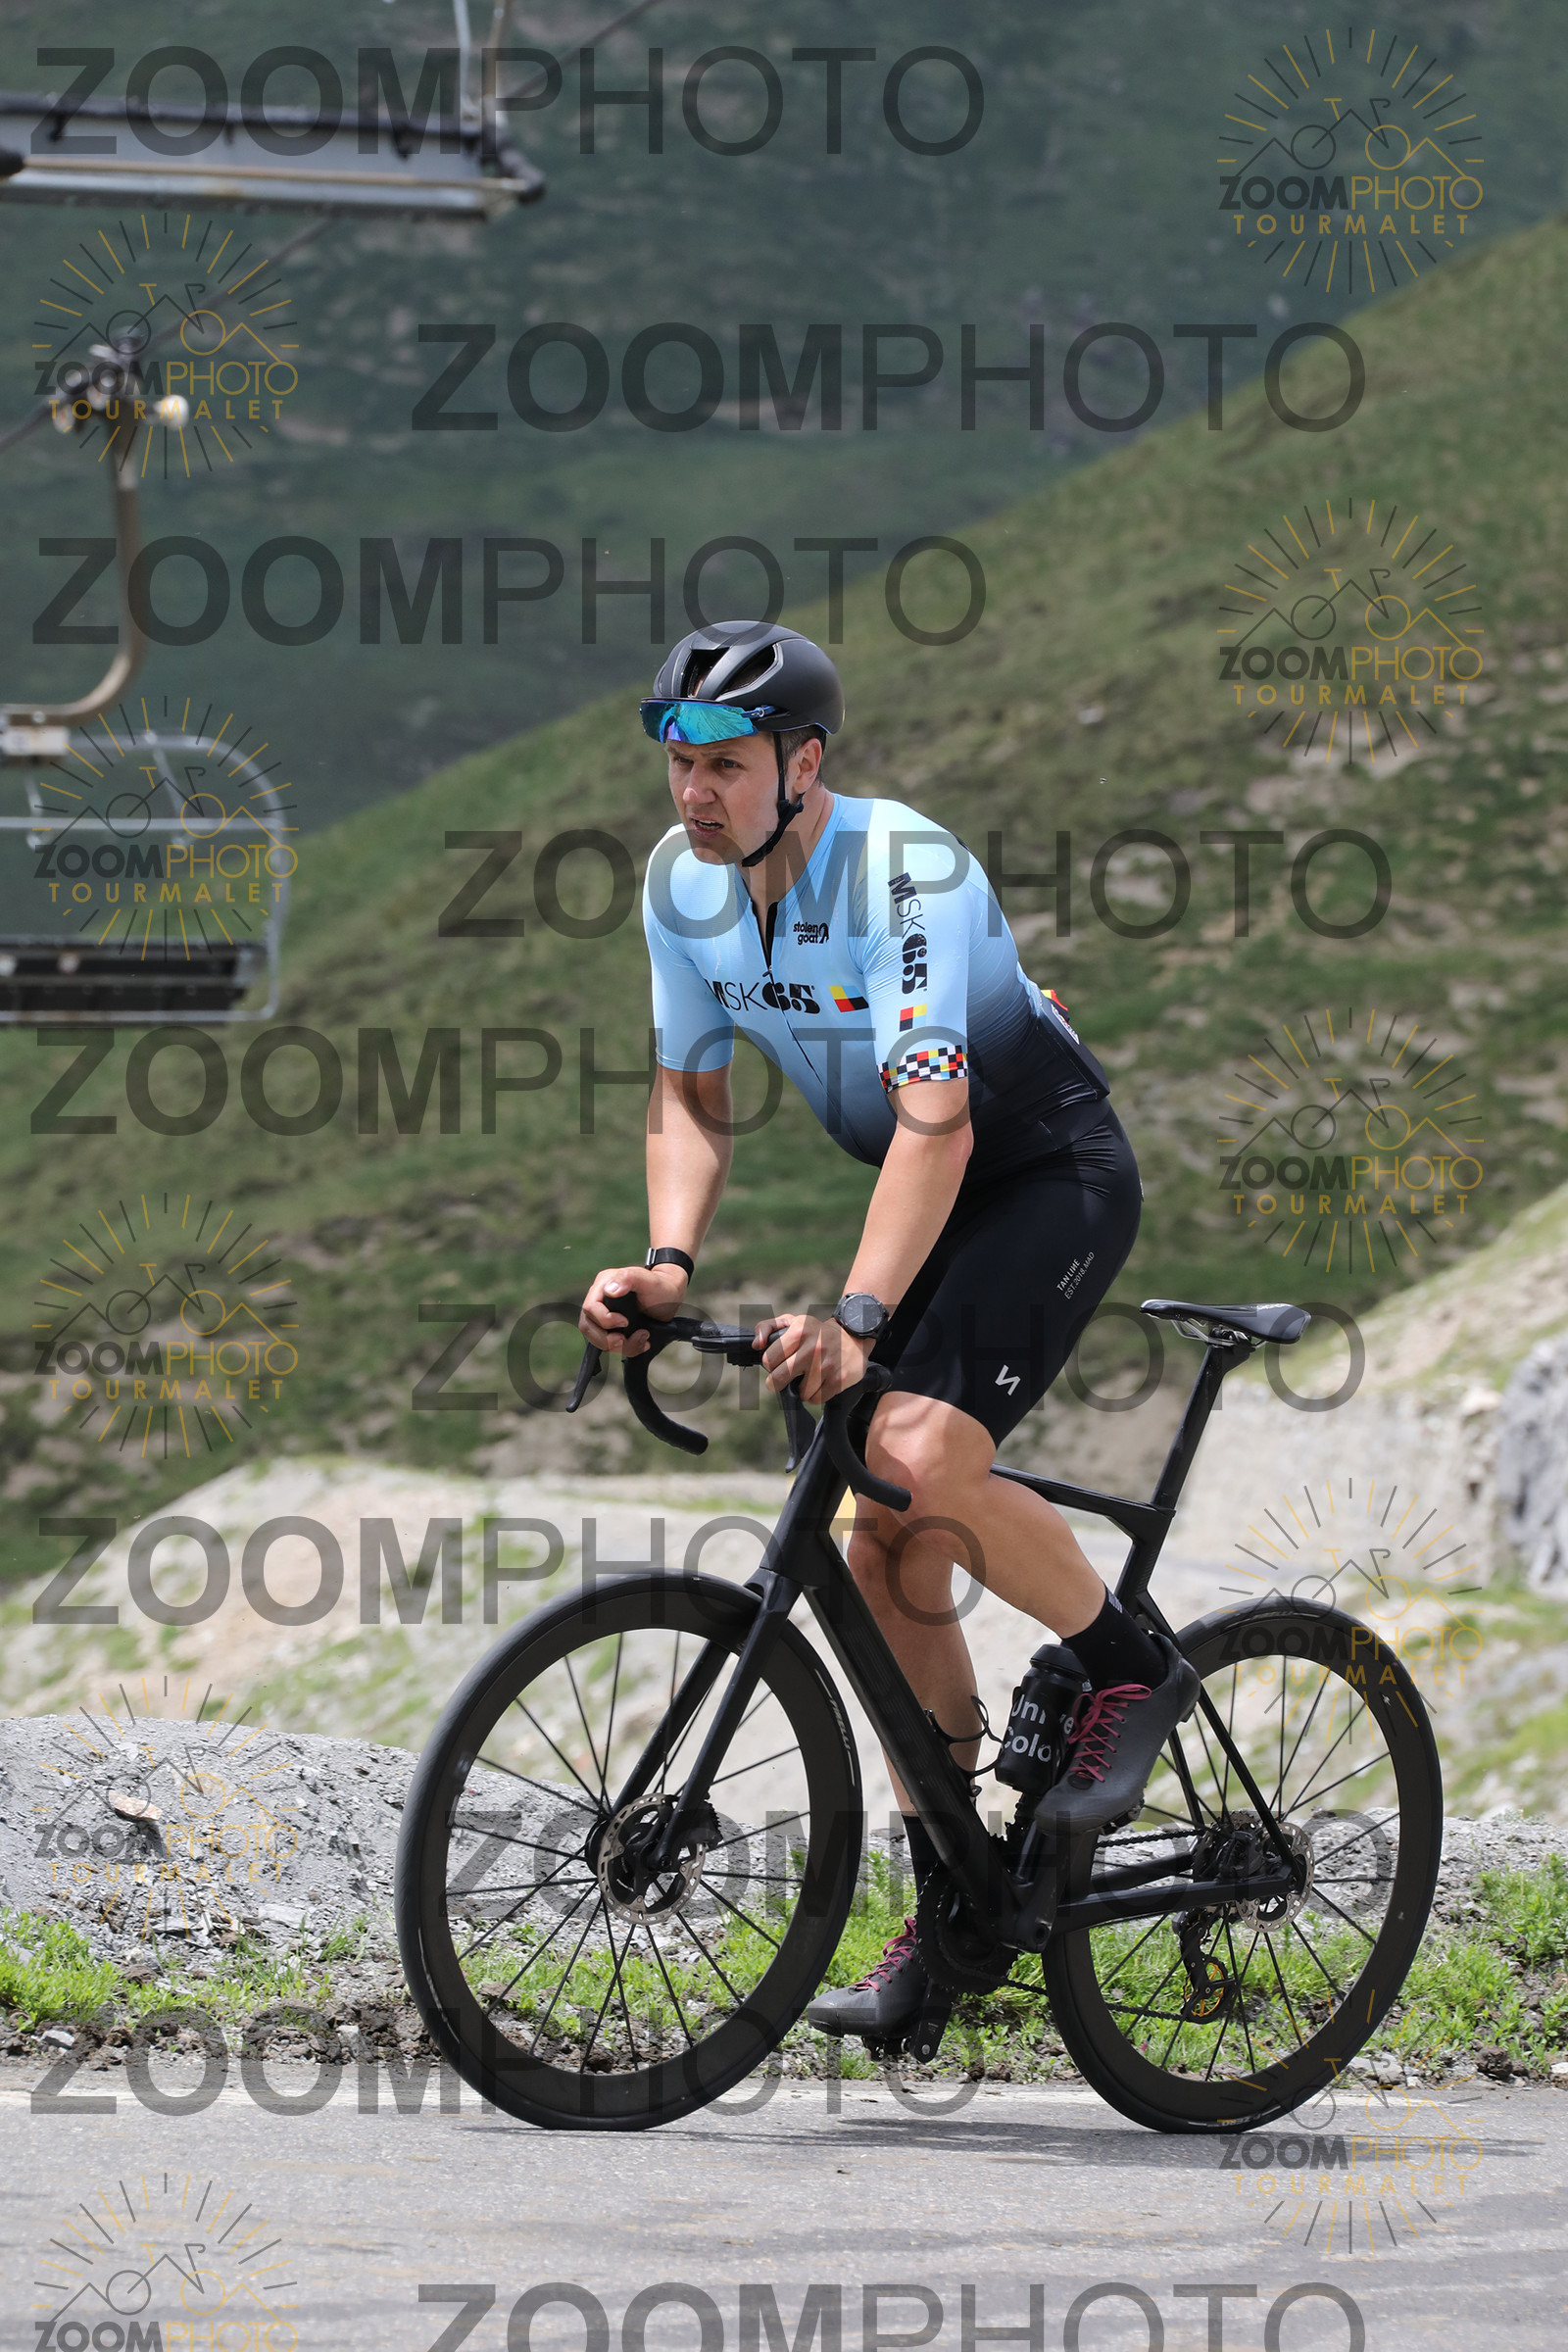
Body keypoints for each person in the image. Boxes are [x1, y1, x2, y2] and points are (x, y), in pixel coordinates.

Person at [578, 619, 1196, 2048]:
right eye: (679, 765)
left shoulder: (902, 871)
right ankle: (960, 1899)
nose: (695, 794)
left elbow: (937, 1123)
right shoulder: (683, 886)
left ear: (804, 765)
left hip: (1039, 1173)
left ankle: (1128, 1669)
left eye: (727, 766)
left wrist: (856, 1321)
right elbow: (691, 1095)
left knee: (911, 1459)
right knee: (879, 1545)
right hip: (927, 1193)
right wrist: (667, 1264)